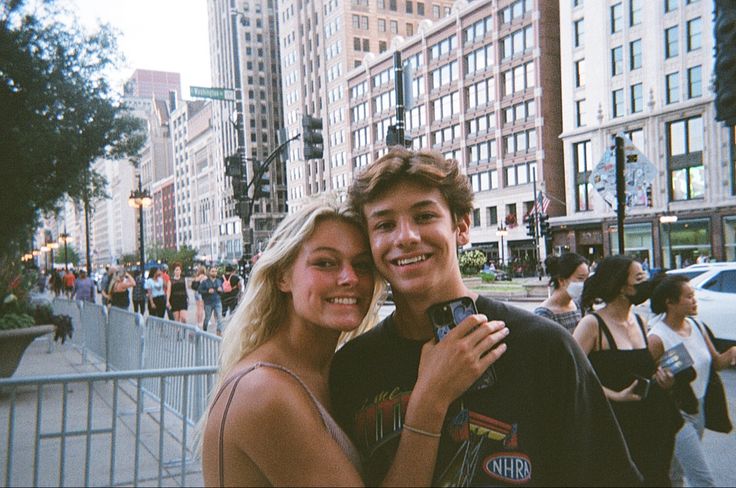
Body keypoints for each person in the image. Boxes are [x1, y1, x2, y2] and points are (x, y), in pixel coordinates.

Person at [330, 148, 641, 486]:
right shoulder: (352, 369)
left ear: (461, 226)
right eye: (385, 224)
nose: (406, 237)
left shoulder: (544, 348)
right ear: (369, 241)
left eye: (424, 216)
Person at [199, 196, 507, 486]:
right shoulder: (263, 392)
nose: (349, 278)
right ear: (283, 276)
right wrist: (429, 401)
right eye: (325, 263)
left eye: (361, 265)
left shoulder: (331, 370)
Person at [574, 255, 682, 486]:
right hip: (614, 430)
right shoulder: (592, 325)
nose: (647, 282)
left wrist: (663, 380)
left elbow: (645, 371)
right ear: (622, 287)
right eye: (640, 277)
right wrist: (616, 396)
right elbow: (573, 378)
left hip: (649, 427)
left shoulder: (641, 322)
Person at [648, 274, 736, 487]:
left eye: (693, 295)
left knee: (675, 472)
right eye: (688, 296)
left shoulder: (697, 326)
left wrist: (732, 351)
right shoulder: (657, 337)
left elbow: (716, 363)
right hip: (676, 413)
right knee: (703, 479)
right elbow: (646, 378)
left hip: (699, 407)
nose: (694, 300)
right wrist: (660, 380)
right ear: (670, 302)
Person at [533, 252, 589, 332]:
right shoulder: (544, 315)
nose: (585, 283)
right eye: (580, 278)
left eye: (587, 278)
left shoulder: (578, 306)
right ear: (561, 280)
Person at [198, 267, 224, 335]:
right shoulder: (205, 282)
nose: (214, 272)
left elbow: (222, 290)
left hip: (217, 301)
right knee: (207, 318)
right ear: (209, 272)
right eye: (212, 271)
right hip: (208, 303)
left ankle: (219, 332)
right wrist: (207, 291)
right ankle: (204, 330)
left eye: (215, 271)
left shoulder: (219, 281)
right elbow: (199, 290)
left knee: (219, 316)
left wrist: (221, 290)